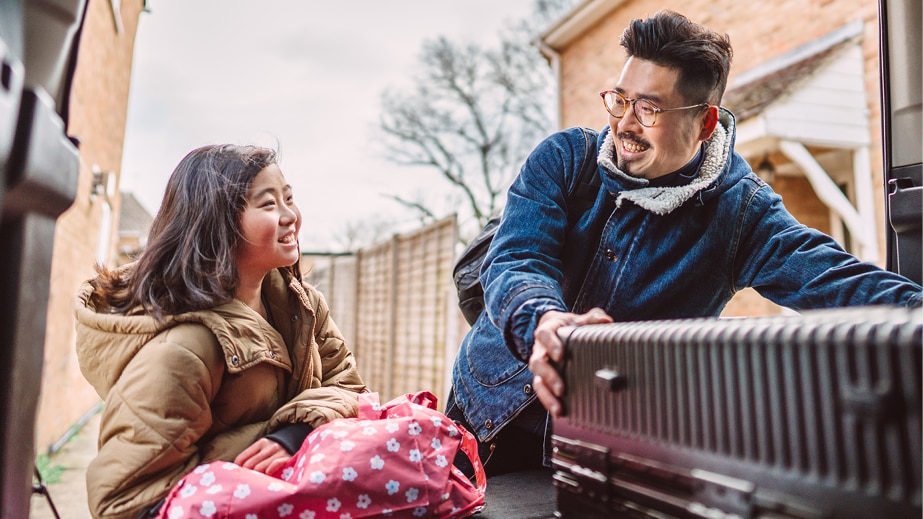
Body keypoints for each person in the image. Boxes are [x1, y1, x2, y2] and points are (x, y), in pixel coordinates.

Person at [445, 10, 922, 478]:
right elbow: (517, 259)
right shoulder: (564, 159)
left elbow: (834, 278)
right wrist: (544, 320)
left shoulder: (741, 214)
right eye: (620, 100)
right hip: (483, 412)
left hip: (604, 447)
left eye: (649, 108)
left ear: (706, 123)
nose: (626, 125)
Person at [74, 144, 368, 518]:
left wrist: (294, 435)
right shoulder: (183, 349)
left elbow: (351, 389)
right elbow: (125, 502)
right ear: (218, 223)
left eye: (289, 198)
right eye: (268, 204)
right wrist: (248, 474)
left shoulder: (302, 306)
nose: (290, 215)